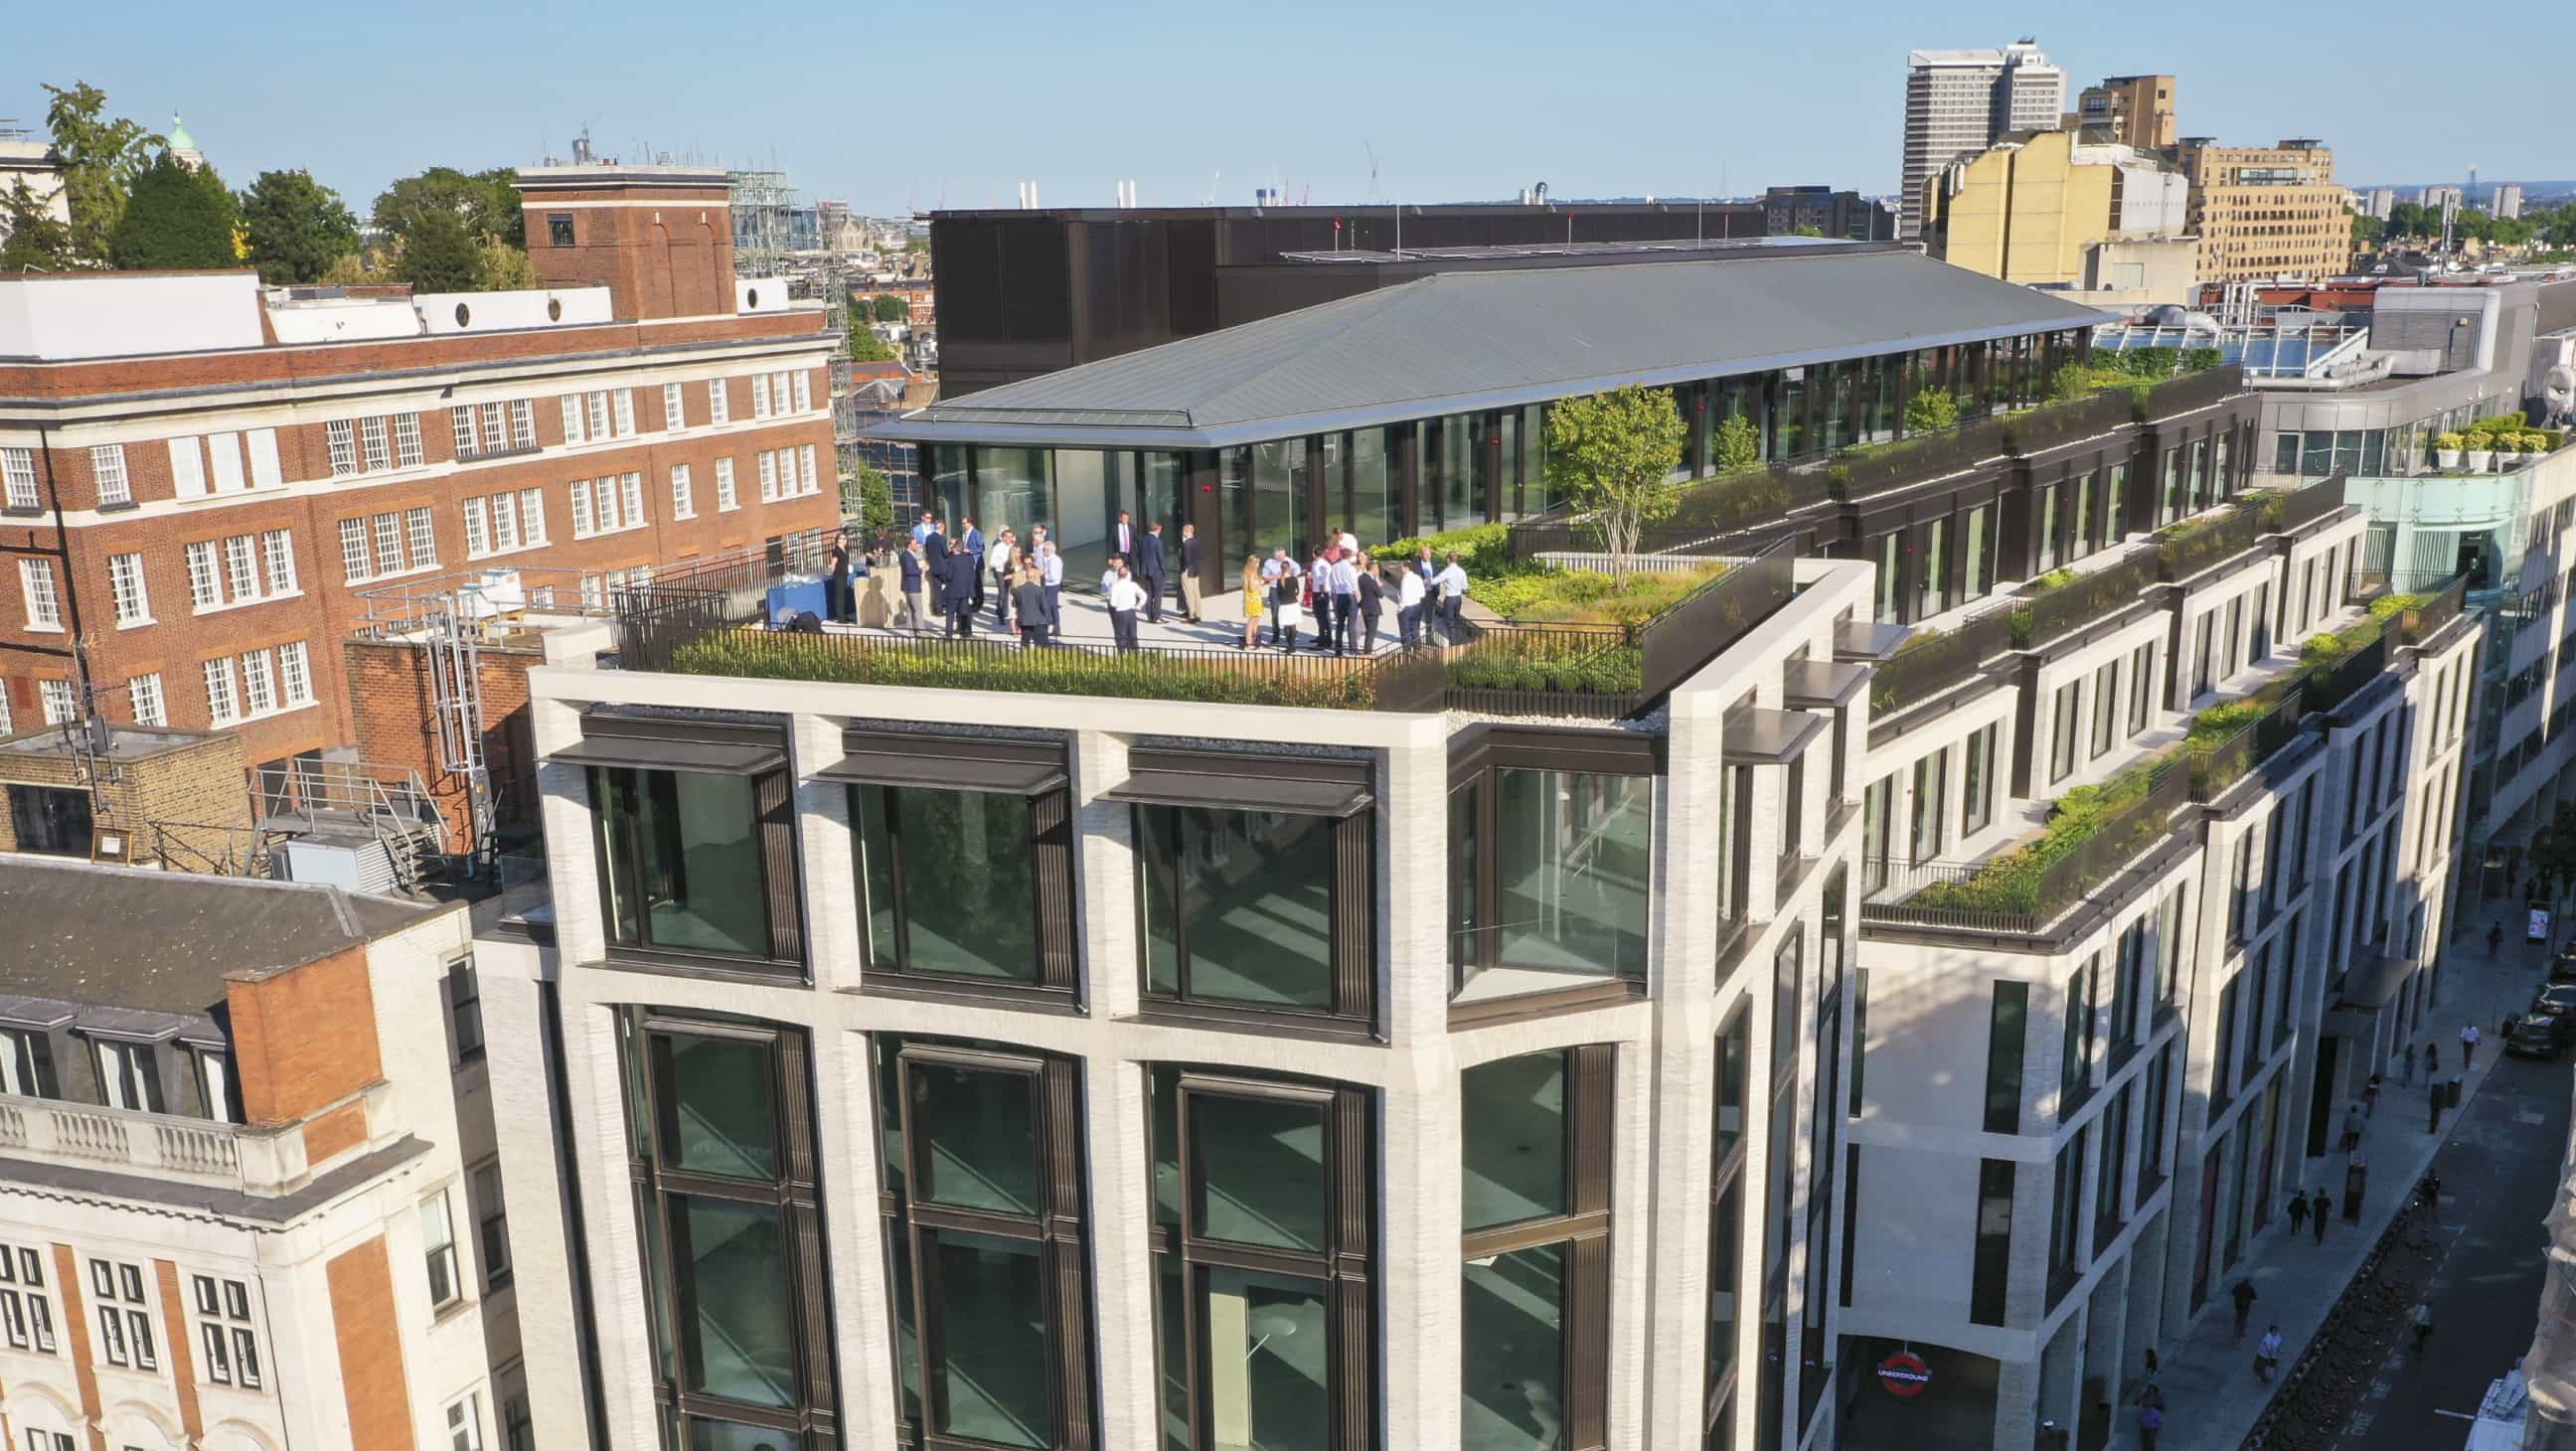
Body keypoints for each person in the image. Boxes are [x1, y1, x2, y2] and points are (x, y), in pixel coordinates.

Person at [1106, 559, 1146, 652]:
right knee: (1133, 634)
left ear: (1118, 575)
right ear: (1128, 574)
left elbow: (1113, 603)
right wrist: (1138, 606)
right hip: (1131, 612)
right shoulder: (1133, 585)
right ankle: (1135, 653)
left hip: (1120, 612)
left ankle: (1121, 653)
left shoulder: (1115, 586)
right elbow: (1143, 596)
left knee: (1121, 635)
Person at [1328, 548, 1361, 654]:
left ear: (1341, 555)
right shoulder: (1350, 568)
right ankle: (1353, 649)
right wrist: (1359, 599)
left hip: (1339, 596)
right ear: (1350, 556)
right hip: (1349, 595)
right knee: (1351, 624)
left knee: (1339, 624)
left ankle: (1338, 650)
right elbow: (1354, 585)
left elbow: (1331, 583)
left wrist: (1333, 597)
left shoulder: (1334, 567)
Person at [1434, 551, 1471, 642]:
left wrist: (1426, 581)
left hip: (1450, 598)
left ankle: (1453, 642)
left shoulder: (1447, 571)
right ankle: (1456, 639)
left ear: (1448, 559)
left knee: (1449, 621)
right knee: (1456, 619)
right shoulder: (1461, 571)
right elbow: (1465, 587)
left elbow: (1435, 580)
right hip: (1458, 598)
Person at [945, 543, 981, 637]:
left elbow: (948, 576)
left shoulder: (951, 560)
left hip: (953, 591)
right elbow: (972, 576)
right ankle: (964, 633)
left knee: (950, 614)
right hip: (965, 591)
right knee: (964, 613)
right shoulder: (969, 560)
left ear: (955, 549)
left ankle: (949, 635)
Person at [1137, 521, 1170, 624]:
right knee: (1158, 595)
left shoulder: (1143, 539)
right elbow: (1161, 559)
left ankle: (1149, 616)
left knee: (1149, 594)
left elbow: (1140, 555)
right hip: (1157, 572)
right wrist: (1164, 571)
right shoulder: (1158, 542)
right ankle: (1156, 616)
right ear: (1158, 528)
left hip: (1146, 571)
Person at [1013, 564, 1051, 648]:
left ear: (1026, 577)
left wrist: (1017, 621)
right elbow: (1044, 607)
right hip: (1038, 621)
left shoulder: (1018, 590)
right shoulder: (1039, 590)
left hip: (1024, 620)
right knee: (1042, 644)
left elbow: (1015, 606)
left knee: (1025, 642)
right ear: (1034, 578)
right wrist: (1048, 620)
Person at [896, 539, 928, 632]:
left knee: (910, 610)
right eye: (915, 544)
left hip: (909, 586)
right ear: (909, 545)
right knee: (918, 610)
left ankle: (912, 632)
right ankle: (921, 632)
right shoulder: (907, 556)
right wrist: (922, 570)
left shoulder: (905, 555)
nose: (917, 545)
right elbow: (910, 571)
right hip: (912, 587)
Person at [989, 528, 1019, 629]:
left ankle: (1006, 612)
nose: (1010, 539)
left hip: (1010, 572)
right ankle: (1001, 615)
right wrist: (1004, 562)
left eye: (1011, 537)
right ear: (1003, 538)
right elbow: (992, 562)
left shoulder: (1012, 547)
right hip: (1000, 572)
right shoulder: (998, 547)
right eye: (1008, 537)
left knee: (1009, 592)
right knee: (1002, 593)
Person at [1355, 555, 1384, 652]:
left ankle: (1367, 649)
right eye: (1377, 568)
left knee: (1368, 631)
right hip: (1373, 609)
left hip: (1364, 607)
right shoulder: (1371, 581)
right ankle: (1368, 651)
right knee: (1371, 632)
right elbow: (1380, 594)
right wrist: (1377, 582)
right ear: (1374, 569)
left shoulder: (1361, 578)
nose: (1378, 571)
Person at [826, 530, 856, 624]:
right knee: (839, 597)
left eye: (845, 538)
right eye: (842, 538)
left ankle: (844, 616)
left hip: (844, 574)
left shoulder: (845, 549)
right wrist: (832, 571)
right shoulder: (837, 550)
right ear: (838, 540)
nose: (844, 540)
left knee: (844, 596)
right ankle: (840, 618)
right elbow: (833, 563)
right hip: (839, 575)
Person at [923, 517, 950, 617]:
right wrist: (951, 551)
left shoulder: (928, 538)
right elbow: (945, 553)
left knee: (936, 589)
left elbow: (927, 552)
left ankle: (938, 610)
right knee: (951, 584)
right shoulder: (942, 538)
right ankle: (942, 602)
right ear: (942, 527)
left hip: (933, 568)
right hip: (943, 568)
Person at [959, 515, 986, 615]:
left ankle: (978, 603)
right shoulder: (964, 533)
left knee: (977, 584)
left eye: (964, 523)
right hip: (968, 563)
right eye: (962, 523)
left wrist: (970, 550)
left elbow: (982, 548)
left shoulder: (976, 533)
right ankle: (974, 602)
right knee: (971, 584)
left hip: (976, 563)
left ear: (969, 523)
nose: (962, 525)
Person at [1397, 561, 1428, 647]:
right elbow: (1423, 594)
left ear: (1406, 568)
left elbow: (1403, 596)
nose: (1400, 569)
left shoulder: (1405, 579)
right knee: (1415, 630)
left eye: (1402, 567)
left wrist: (1400, 609)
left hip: (1406, 608)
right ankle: (1418, 649)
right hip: (1417, 606)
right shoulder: (1418, 578)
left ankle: (1406, 651)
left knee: (1405, 632)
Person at [1179, 523, 1205, 623]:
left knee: (1189, 593)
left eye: (1183, 531)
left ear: (1186, 532)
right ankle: (1198, 614)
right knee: (1196, 592)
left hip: (1187, 571)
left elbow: (1186, 560)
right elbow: (1200, 556)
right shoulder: (1197, 542)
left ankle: (1191, 616)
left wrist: (1182, 569)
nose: (1183, 533)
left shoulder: (1186, 544)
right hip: (1195, 570)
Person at [1239, 556, 1265, 650]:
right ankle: (1248, 642)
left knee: (1256, 621)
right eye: (1256, 563)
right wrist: (1260, 583)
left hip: (1256, 599)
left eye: (1258, 562)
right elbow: (1252, 588)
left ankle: (1254, 640)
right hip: (1252, 600)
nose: (1258, 565)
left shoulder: (1253, 573)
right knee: (1251, 622)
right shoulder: (1250, 573)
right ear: (1252, 563)